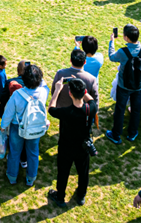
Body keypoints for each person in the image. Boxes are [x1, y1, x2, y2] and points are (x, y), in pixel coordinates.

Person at [47, 77, 96, 208]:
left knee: (63, 173)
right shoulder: (90, 109)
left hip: (66, 147)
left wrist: (57, 90)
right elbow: (91, 99)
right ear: (84, 92)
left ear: (70, 93)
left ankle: (60, 197)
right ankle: (81, 196)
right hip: (83, 147)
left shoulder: (66, 112)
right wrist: (80, 85)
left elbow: (51, 108)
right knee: (83, 172)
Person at [0, 63, 48, 186]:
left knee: (14, 153)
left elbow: (8, 113)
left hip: (17, 127)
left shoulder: (17, 94)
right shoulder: (43, 92)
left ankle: (12, 176)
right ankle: (31, 178)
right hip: (35, 127)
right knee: (33, 153)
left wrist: (3, 126)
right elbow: (45, 85)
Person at [107, 24, 141, 144]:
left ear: (126, 37)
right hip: (139, 85)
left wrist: (111, 42)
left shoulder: (122, 52)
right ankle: (132, 134)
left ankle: (116, 135)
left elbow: (112, 57)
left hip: (124, 85)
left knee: (120, 109)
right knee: (136, 109)